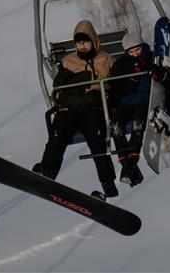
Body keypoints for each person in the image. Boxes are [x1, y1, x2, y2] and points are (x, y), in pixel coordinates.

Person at [34, 20, 118, 199]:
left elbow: (115, 85)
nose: (82, 46)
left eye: (85, 42)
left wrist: (102, 97)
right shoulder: (67, 61)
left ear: (93, 41)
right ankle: (48, 171)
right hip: (70, 109)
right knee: (58, 133)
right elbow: (59, 90)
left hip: (93, 109)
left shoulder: (106, 60)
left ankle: (108, 182)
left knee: (96, 139)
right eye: (78, 42)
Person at [108, 32, 152, 188]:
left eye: (137, 50)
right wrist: (131, 81)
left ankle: (130, 163)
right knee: (115, 126)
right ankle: (127, 165)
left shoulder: (151, 58)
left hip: (145, 100)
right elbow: (117, 88)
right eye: (130, 52)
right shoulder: (121, 65)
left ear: (142, 47)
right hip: (126, 102)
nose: (134, 54)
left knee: (138, 124)